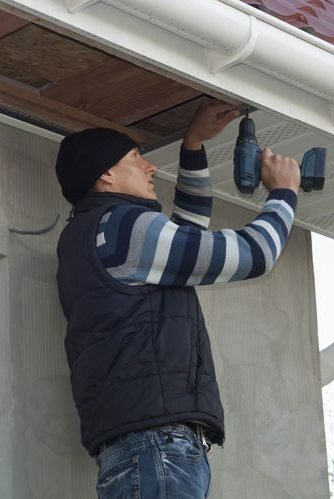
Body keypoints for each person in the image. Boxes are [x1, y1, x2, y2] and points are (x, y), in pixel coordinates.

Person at [55, 100, 301, 499]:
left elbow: (186, 238)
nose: (151, 167)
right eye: (137, 158)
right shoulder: (123, 227)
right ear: (105, 173)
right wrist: (284, 194)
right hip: (157, 446)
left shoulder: (91, 235)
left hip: (139, 446)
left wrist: (193, 145)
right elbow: (253, 255)